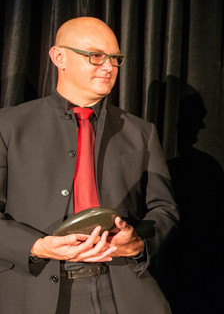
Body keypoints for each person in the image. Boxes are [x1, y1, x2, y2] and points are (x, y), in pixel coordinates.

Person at [0, 16, 179, 313]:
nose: (108, 67)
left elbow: (165, 209)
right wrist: (38, 246)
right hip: (37, 288)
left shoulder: (140, 132)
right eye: (96, 56)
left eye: (114, 58)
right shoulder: (9, 126)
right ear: (59, 57)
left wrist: (137, 243)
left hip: (121, 286)